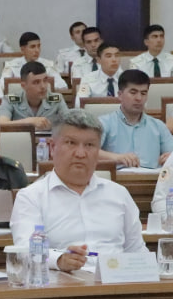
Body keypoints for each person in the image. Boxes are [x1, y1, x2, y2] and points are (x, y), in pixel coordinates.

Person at [10, 110, 144, 271]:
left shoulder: (119, 194)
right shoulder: (31, 197)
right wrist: (59, 260)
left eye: (89, 145)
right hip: (62, 282)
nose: (80, 154)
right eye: (71, 143)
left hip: (116, 280)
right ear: (52, 147)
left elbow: (137, 251)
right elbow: (24, 250)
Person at [99, 69, 173, 169]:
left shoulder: (158, 126)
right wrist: (116, 158)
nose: (139, 98)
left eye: (143, 93)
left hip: (151, 177)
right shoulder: (104, 123)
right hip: (117, 176)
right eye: (133, 93)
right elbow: (90, 152)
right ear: (120, 95)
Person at [0, 61, 68, 130]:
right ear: (23, 86)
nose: (43, 86)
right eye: (36, 82)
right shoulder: (10, 100)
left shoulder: (57, 100)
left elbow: (70, 122)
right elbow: (1, 124)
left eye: (45, 80)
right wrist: (28, 122)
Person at [1, 31, 67, 90]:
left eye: (38, 46)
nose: (37, 50)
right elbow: (2, 86)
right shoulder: (11, 65)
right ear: (22, 49)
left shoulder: (48, 64)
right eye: (32, 47)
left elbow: (62, 85)